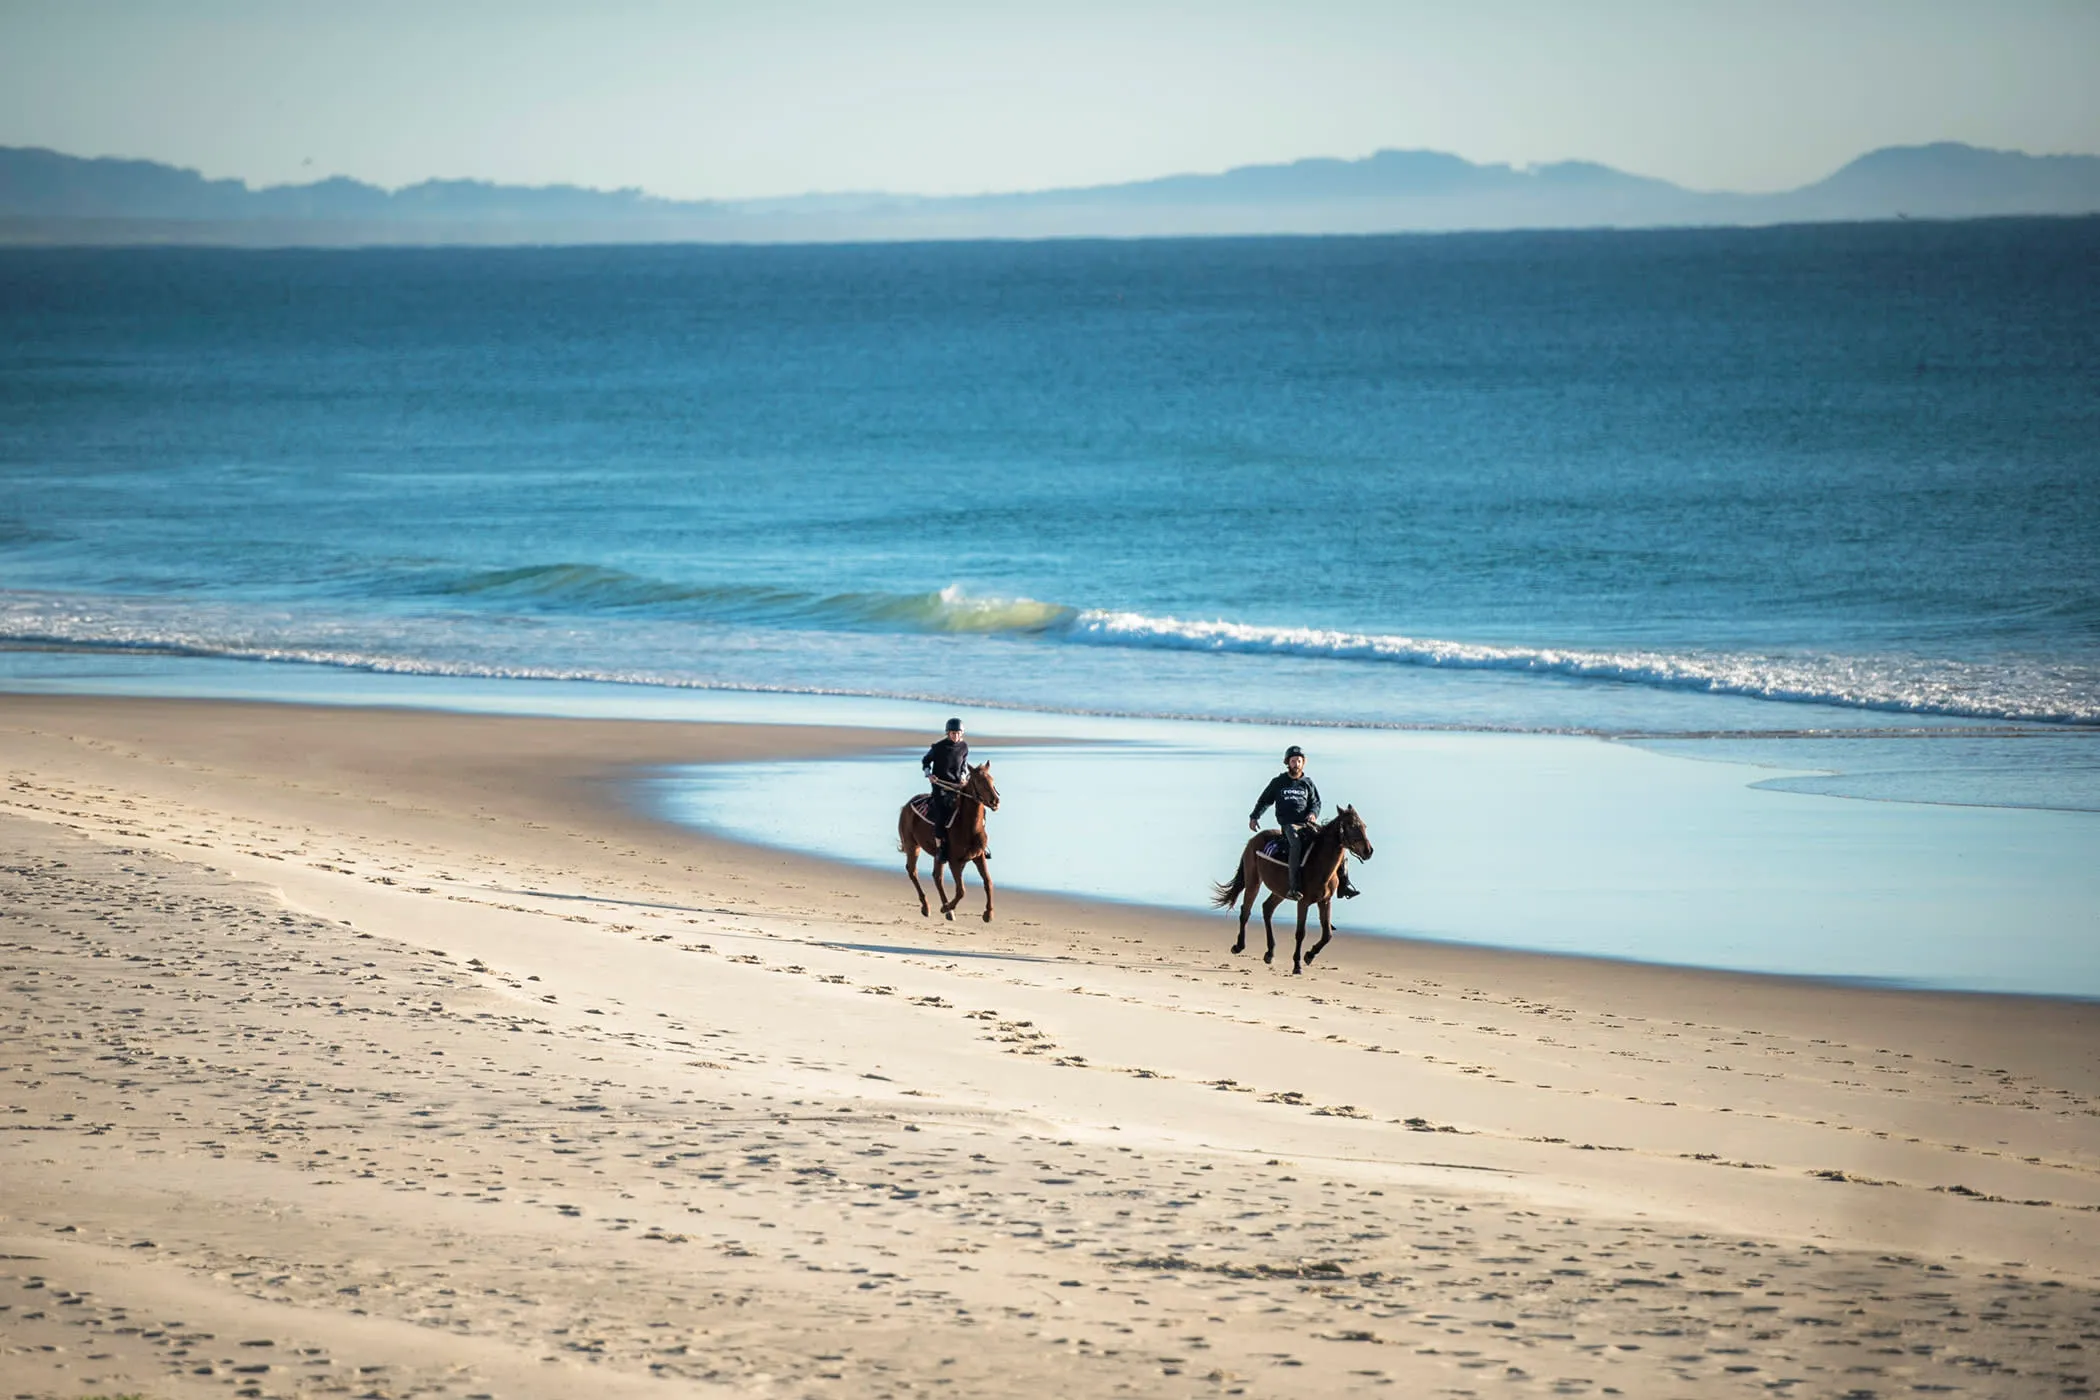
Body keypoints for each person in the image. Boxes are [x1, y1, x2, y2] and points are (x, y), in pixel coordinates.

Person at [1248, 744, 1359, 901]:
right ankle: (1294, 887)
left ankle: (1344, 885)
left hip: (1307, 824)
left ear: (1303, 763)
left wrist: (1313, 814)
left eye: (1299, 761)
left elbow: (1316, 803)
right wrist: (1254, 816)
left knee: (1338, 842)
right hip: (1288, 825)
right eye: (1293, 761)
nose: (1296, 764)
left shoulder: (1307, 783)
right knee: (1296, 844)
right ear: (1288, 763)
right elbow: (1264, 800)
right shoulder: (1279, 782)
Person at [921, 717, 970, 862]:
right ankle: (940, 849)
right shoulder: (938, 747)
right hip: (940, 786)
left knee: (974, 808)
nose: (955, 736)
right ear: (947, 733)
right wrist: (928, 774)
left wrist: (962, 776)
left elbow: (964, 765)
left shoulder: (964, 747)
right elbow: (925, 761)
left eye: (958, 733)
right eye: (952, 733)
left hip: (957, 786)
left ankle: (978, 842)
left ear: (962, 733)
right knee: (941, 815)